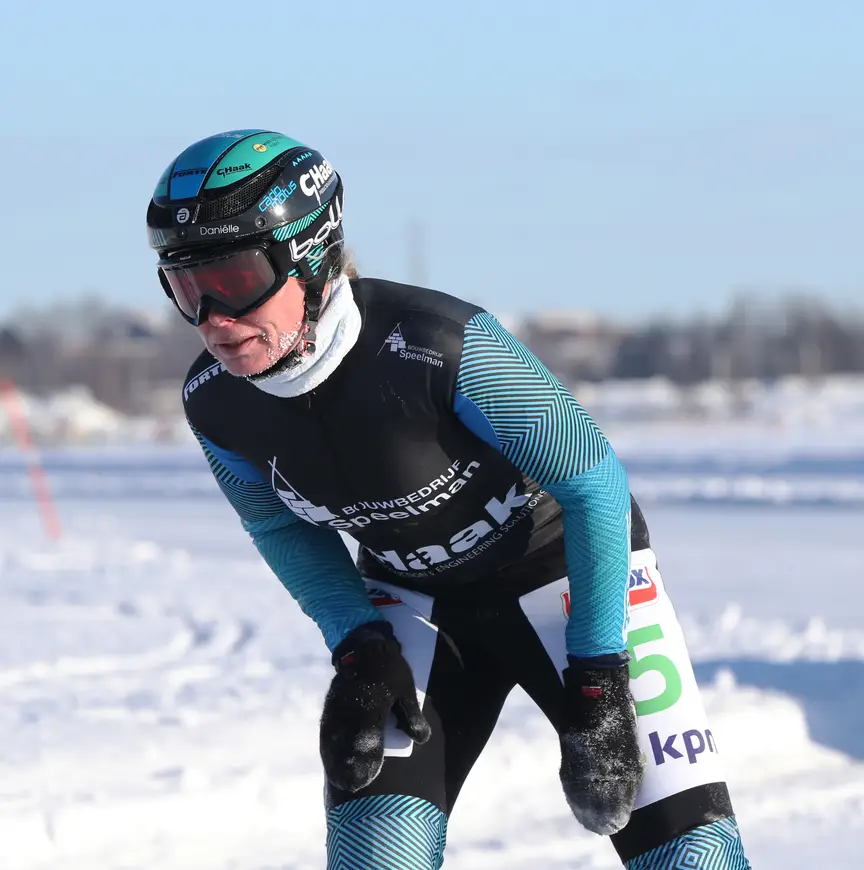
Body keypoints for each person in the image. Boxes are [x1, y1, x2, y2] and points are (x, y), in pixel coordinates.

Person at [146, 128, 753, 869]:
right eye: (185, 287)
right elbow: (279, 526)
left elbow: (595, 486)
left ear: (311, 254)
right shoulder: (214, 402)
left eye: (235, 281)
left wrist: (599, 675)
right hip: (417, 599)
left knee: (692, 858)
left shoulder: (442, 344)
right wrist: (359, 644)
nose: (212, 318)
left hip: (568, 576)